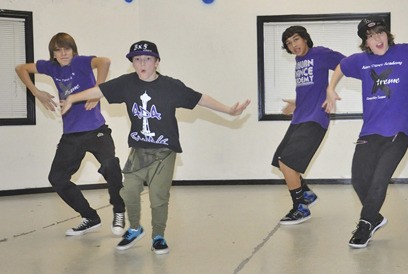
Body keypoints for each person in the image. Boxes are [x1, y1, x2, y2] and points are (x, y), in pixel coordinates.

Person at [60, 40, 250, 254]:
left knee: (158, 196)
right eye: (137, 59)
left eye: (147, 59)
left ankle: (158, 235)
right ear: (133, 63)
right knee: (128, 192)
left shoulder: (170, 86)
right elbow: (99, 91)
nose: (142, 63)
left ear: (157, 62)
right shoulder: (126, 83)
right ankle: (134, 228)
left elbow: (199, 98)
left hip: (164, 151)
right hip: (138, 150)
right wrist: (72, 98)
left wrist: (228, 110)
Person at [323, 17, 408, 248]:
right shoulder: (361, 61)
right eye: (371, 36)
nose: (377, 38)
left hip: (399, 131)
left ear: (387, 34)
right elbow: (341, 67)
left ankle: (364, 224)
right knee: (359, 180)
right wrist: (329, 88)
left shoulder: (407, 53)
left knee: (379, 180)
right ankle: (375, 217)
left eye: (380, 33)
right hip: (370, 130)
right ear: (365, 42)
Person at [15, 32, 126, 236]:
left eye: (66, 48)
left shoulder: (82, 62)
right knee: (57, 178)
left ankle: (119, 209)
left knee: (111, 165)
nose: (63, 53)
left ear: (73, 50)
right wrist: (36, 92)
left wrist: (98, 89)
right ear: (53, 54)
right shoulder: (51, 67)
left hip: (96, 130)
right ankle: (90, 217)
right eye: (58, 50)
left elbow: (105, 61)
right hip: (72, 135)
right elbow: (21, 68)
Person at [272, 26, 345, 225]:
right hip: (300, 117)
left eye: (296, 39)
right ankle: (307, 195)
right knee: (279, 160)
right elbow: (311, 89)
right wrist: (295, 104)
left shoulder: (319, 53)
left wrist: (331, 88)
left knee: (287, 162)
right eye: (289, 43)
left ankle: (300, 208)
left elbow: (346, 63)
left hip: (315, 118)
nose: (293, 45)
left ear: (305, 39)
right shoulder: (299, 61)